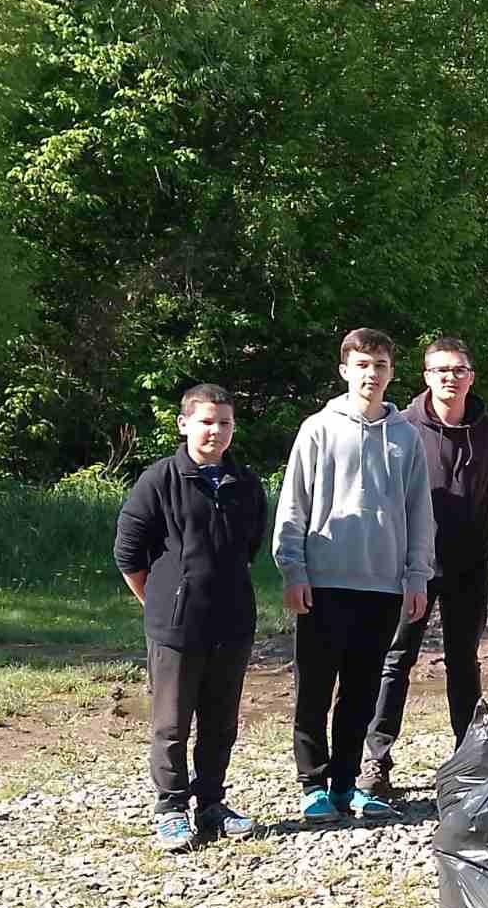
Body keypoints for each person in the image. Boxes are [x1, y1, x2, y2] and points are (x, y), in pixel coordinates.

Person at [274, 328, 435, 823]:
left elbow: (419, 511)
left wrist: (416, 576)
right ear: (345, 369)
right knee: (315, 688)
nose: (372, 374)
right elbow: (293, 504)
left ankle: (347, 783)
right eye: (362, 365)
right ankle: (313, 783)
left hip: (382, 584)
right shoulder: (318, 429)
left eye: (381, 365)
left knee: (362, 691)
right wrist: (293, 569)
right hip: (323, 581)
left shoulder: (405, 436)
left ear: (392, 372)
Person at [114, 383, 268, 851]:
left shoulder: (246, 484)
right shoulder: (159, 480)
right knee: (172, 723)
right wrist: (162, 601)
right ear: (184, 425)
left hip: (233, 622)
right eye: (206, 422)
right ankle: (170, 808)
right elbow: (128, 554)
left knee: (221, 722)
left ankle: (211, 803)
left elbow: (250, 547)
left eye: (224, 423)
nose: (215, 431)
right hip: (176, 627)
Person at [359, 337, 488, 798]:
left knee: (465, 663)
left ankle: (469, 758)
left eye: (459, 369)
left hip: (470, 564)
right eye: (440, 370)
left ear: (471, 376)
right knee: (396, 660)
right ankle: (376, 760)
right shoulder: (401, 428)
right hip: (412, 566)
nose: (450, 377)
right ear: (425, 376)